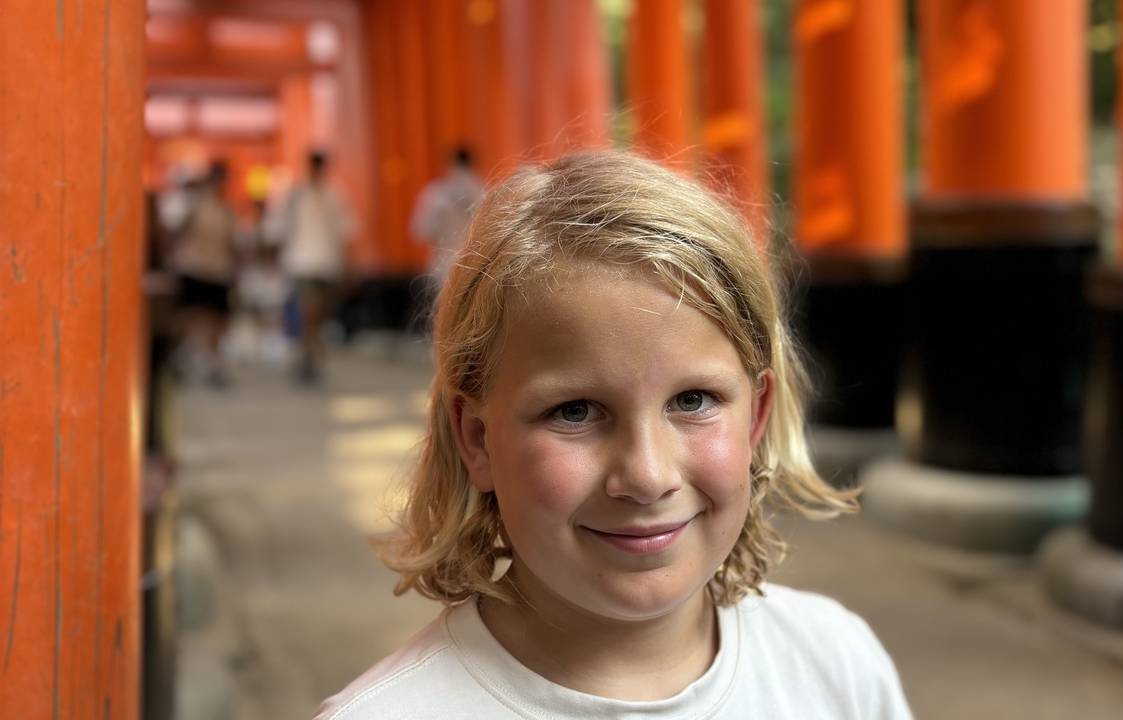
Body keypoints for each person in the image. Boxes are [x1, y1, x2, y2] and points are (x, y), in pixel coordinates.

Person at [315, 152, 912, 719]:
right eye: (575, 411)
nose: (648, 476)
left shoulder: (837, 667)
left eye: (693, 401)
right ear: (477, 439)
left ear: (756, 419)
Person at [275, 150, 353, 384]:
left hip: (327, 264)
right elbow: (282, 228)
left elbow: (345, 231)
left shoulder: (334, 196)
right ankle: (306, 355)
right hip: (302, 263)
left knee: (319, 316)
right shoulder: (295, 196)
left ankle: (309, 354)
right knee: (309, 311)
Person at [170, 161, 237, 388]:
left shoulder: (226, 211)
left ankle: (213, 364)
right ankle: (182, 358)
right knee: (191, 317)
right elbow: (178, 231)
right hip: (195, 267)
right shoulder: (197, 206)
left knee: (217, 321)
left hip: (218, 271)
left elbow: (232, 244)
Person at [409, 147, 484, 292]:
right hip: (478, 266)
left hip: (443, 266)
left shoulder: (435, 194)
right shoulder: (486, 192)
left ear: (449, 163)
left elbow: (421, 232)